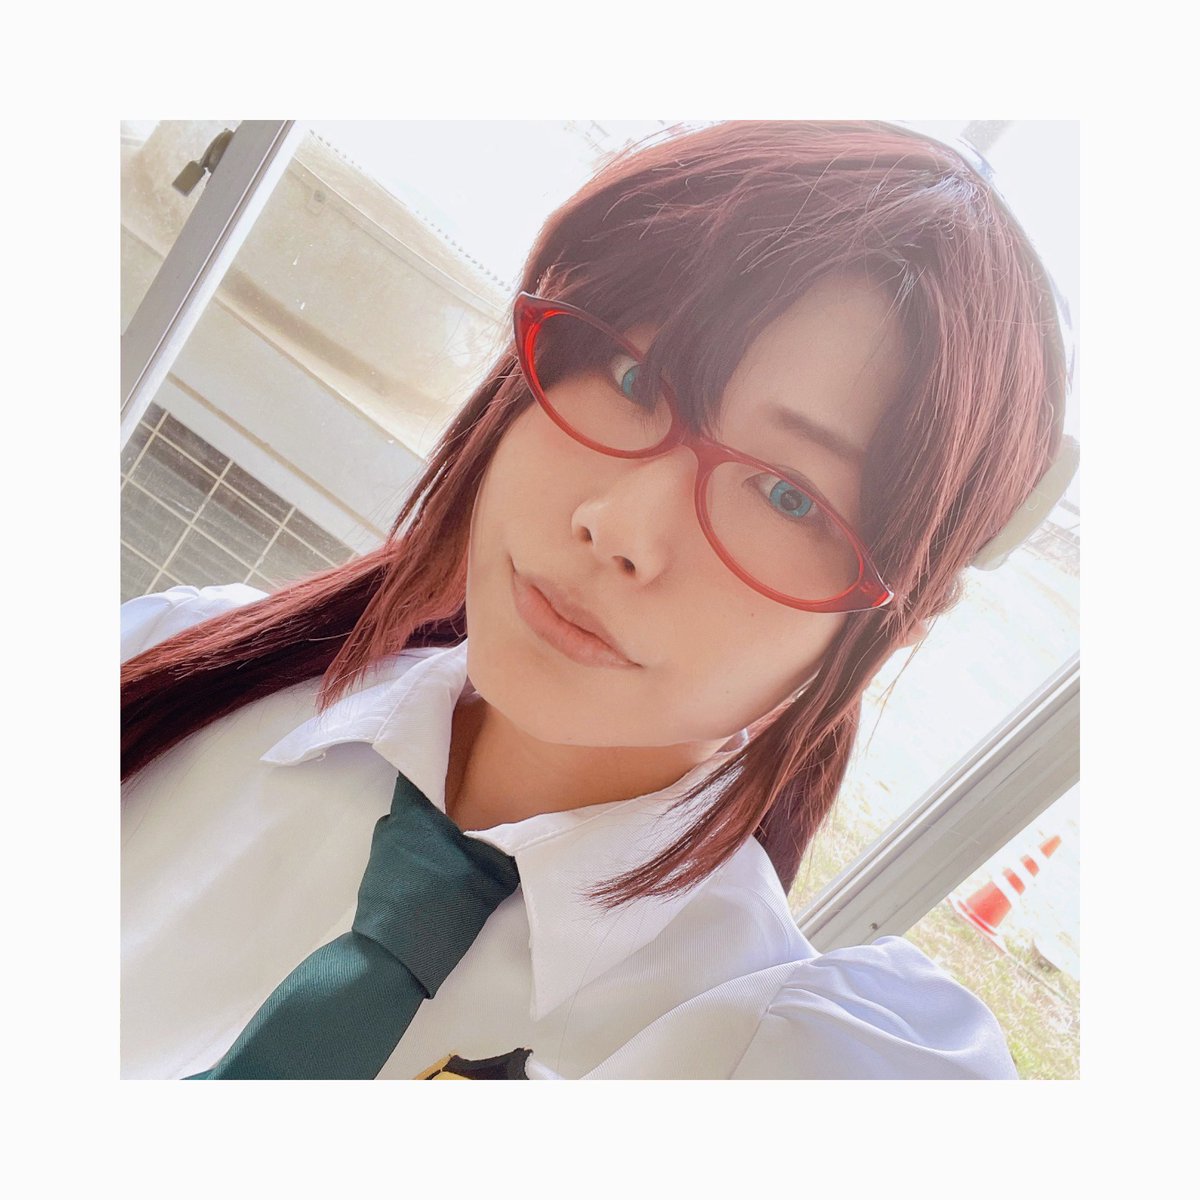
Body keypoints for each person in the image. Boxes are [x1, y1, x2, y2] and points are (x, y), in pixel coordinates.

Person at [120, 119, 1073, 1079]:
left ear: (900, 620)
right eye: (634, 376)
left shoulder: (772, 1062)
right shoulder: (172, 676)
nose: (619, 527)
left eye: (788, 496)